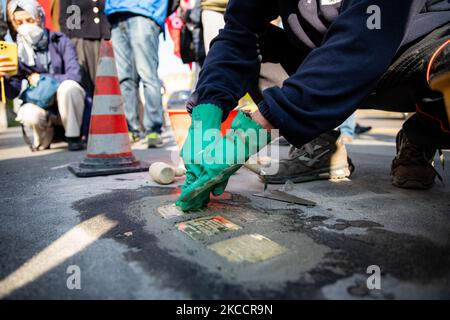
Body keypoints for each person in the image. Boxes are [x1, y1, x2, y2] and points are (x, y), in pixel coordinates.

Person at [176, 0, 450, 211]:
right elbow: (238, 35)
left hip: (412, 58)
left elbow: (366, 37)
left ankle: (421, 134)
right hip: (326, 65)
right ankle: (319, 142)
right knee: (254, 45)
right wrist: (207, 109)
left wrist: (251, 133)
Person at [0, 0, 85, 151]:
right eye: (18, 22)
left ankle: (73, 137)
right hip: (40, 105)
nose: (25, 26)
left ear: (39, 17)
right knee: (28, 113)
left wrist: (43, 79)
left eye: (30, 20)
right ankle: (45, 136)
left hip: (65, 105)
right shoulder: (17, 52)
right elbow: (12, 92)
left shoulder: (60, 40)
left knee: (69, 87)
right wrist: (4, 77)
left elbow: (75, 75)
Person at [105, 0, 167, 148]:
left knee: (148, 75)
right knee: (124, 78)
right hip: (115, 15)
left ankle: (153, 130)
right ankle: (131, 129)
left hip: (145, 12)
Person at [55, 0, 111, 141]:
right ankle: (84, 131)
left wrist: (108, 36)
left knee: (103, 87)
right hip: (78, 39)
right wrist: (69, 41)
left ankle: (104, 129)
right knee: (83, 87)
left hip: (102, 39)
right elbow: (65, 17)